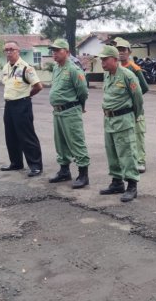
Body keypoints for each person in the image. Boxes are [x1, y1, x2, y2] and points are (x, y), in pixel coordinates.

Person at [98, 45, 144, 202]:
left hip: (123, 120)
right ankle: (117, 182)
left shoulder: (127, 75)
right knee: (112, 153)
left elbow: (138, 97)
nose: (102, 63)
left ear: (114, 59)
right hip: (109, 120)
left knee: (127, 153)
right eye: (101, 60)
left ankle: (132, 185)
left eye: (105, 60)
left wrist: (134, 116)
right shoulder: (108, 76)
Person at [46, 38, 91, 189]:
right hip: (57, 112)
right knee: (60, 143)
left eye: (58, 50)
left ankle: (83, 174)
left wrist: (79, 106)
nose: (55, 53)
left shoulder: (73, 69)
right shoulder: (56, 68)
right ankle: (64, 170)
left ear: (67, 52)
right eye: (53, 51)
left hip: (70, 110)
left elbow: (83, 91)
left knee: (76, 142)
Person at [0, 41, 44, 177]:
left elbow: (38, 86)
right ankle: (16, 163)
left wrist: (27, 95)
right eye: (6, 50)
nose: (8, 52)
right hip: (9, 105)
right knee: (11, 135)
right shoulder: (6, 67)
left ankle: (36, 166)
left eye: (11, 49)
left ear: (18, 51)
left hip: (22, 104)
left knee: (27, 136)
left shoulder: (26, 68)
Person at [113, 37, 149, 173]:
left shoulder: (134, 68)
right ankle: (129, 161)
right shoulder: (115, 68)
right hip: (122, 110)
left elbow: (144, 88)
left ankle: (140, 161)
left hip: (134, 108)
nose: (121, 52)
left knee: (138, 135)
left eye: (123, 50)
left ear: (129, 52)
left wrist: (133, 99)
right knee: (125, 137)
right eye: (118, 50)